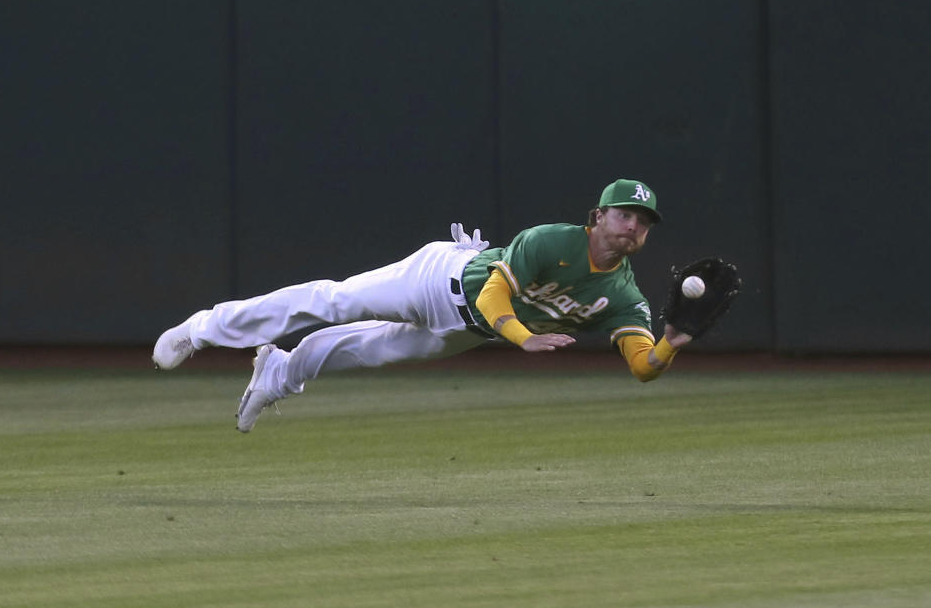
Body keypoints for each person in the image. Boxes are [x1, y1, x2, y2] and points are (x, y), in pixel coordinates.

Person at [153, 178, 692, 433]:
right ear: (598, 216)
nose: (634, 226)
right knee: (336, 300)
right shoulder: (552, 241)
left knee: (368, 352)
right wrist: (525, 338)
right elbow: (493, 293)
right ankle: (204, 328)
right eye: (625, 215)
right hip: (440, 279)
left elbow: (643, 367)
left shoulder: (623, 297)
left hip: (468, 332)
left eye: (643, 223)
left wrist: (673, 341)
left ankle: (278, 372)